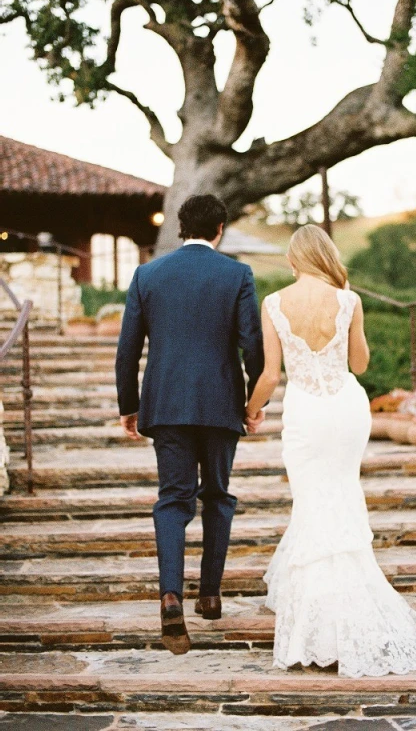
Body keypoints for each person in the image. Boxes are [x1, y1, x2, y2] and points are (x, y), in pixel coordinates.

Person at [245, 224, 416, 678]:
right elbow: (360, 364)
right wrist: (348, 308)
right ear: (327, 256)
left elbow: (270, 375)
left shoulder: (274, 303)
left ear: (294, 260)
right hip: (347, 410)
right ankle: (341, 613)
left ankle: (318, 626)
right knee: (343, 495)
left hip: (306, 412)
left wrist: (249, 410)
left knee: (312, 502)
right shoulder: (349, 300)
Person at [115, 194, 265, 655]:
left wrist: (130, 404)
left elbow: (127, 349)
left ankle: (170, 596)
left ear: (181, 227)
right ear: (219, 228)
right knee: (217, 495)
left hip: (166, 404)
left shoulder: (147, 274)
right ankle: (211, 594)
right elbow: (252, 346)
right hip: (221, 405)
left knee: (173, 499)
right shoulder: (237, 274)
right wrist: (253, 401)